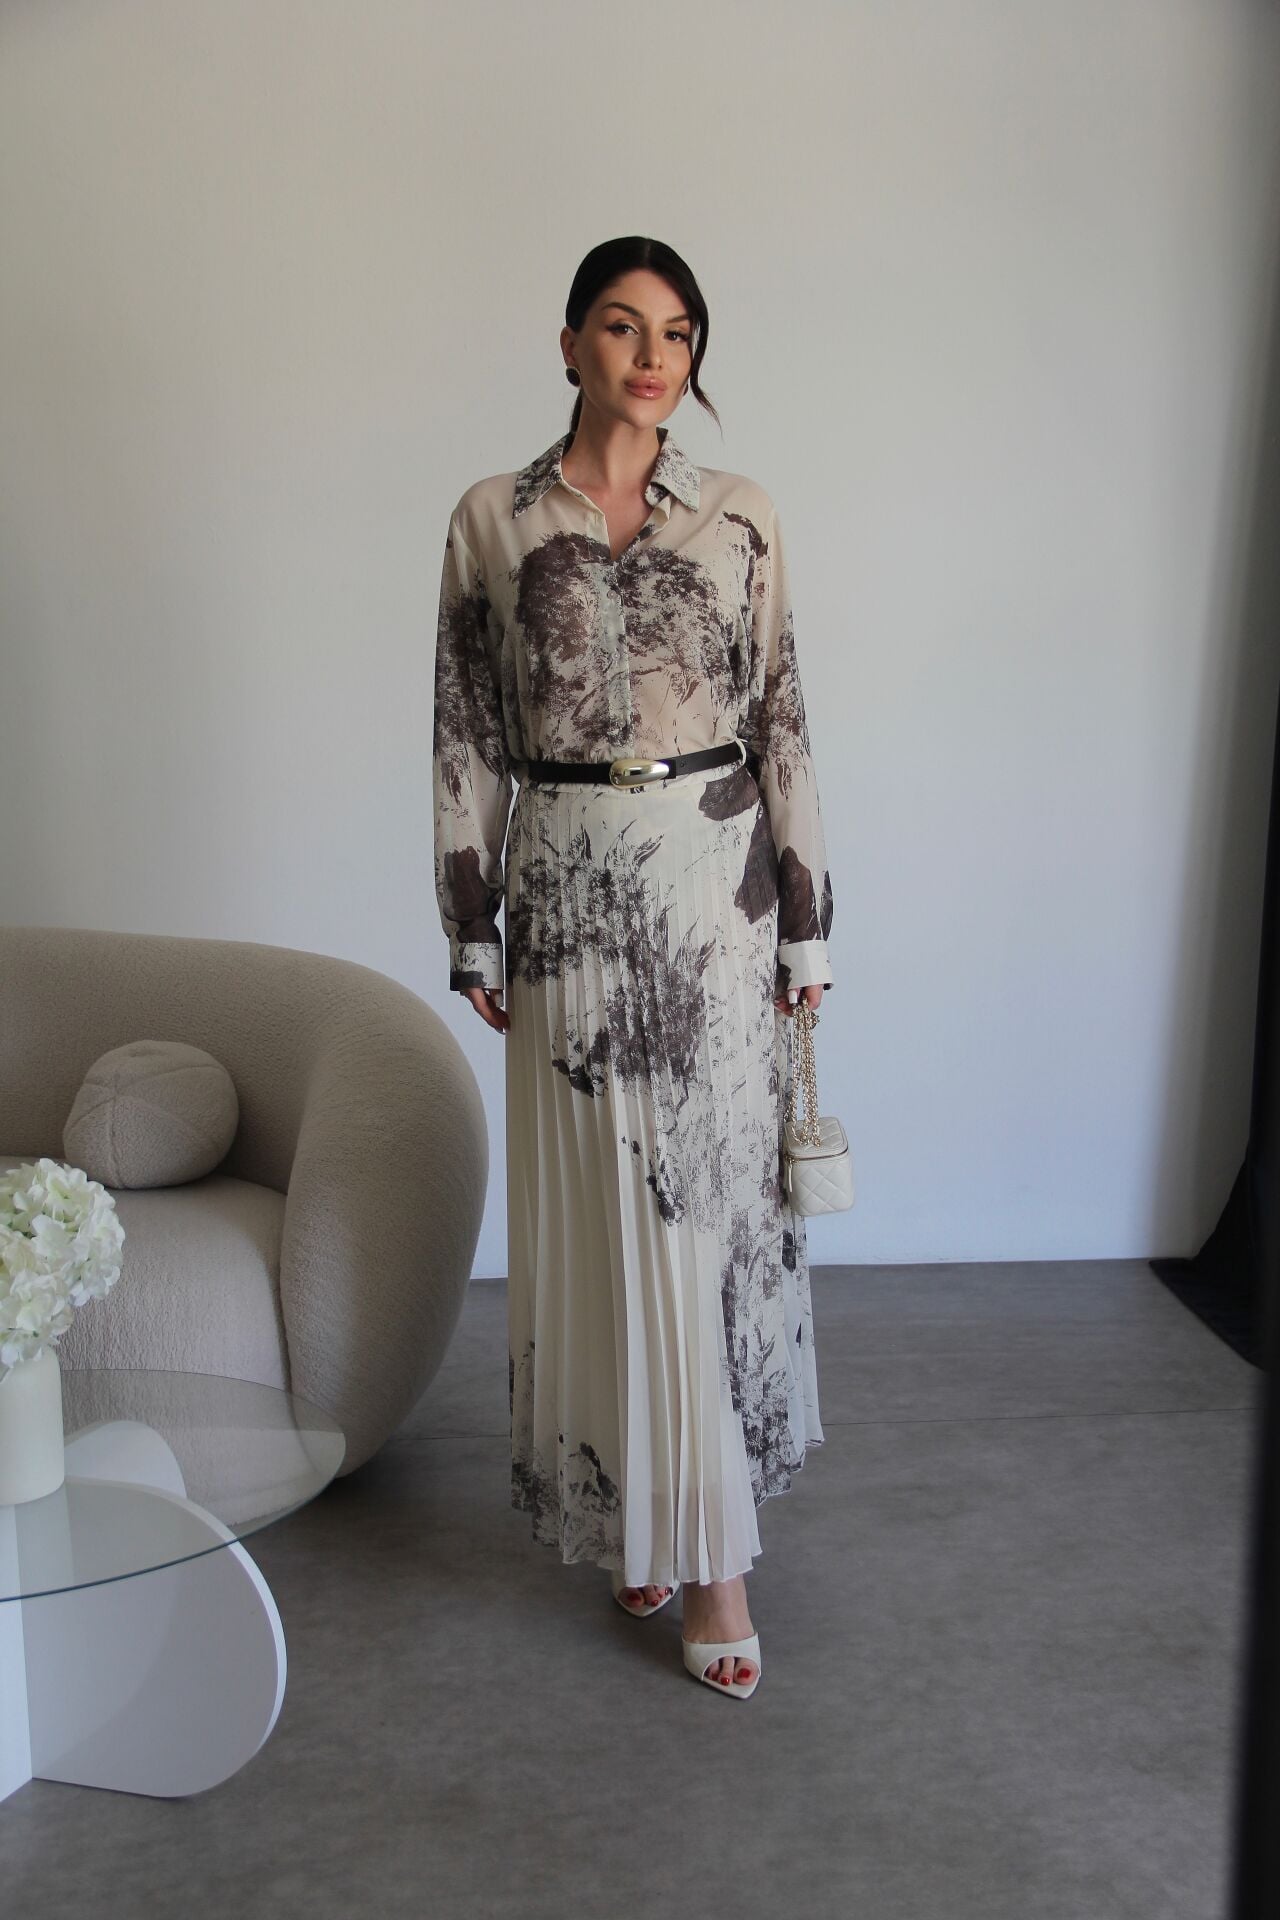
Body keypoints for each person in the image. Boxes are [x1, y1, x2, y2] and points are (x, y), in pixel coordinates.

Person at [432, 235, 834, 1700]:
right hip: (562, 896)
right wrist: (469, 919)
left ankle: (715, 1562)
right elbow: (466, 731)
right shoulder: (492, 518)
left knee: (702, 1217)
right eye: (622, 326)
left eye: (676, 333)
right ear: (569, 344)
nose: (653, 355)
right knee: (607, 1227)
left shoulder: (741, 516)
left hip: (714, 891)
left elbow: (782, 717)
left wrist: (809, 921)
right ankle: (634, 1506)